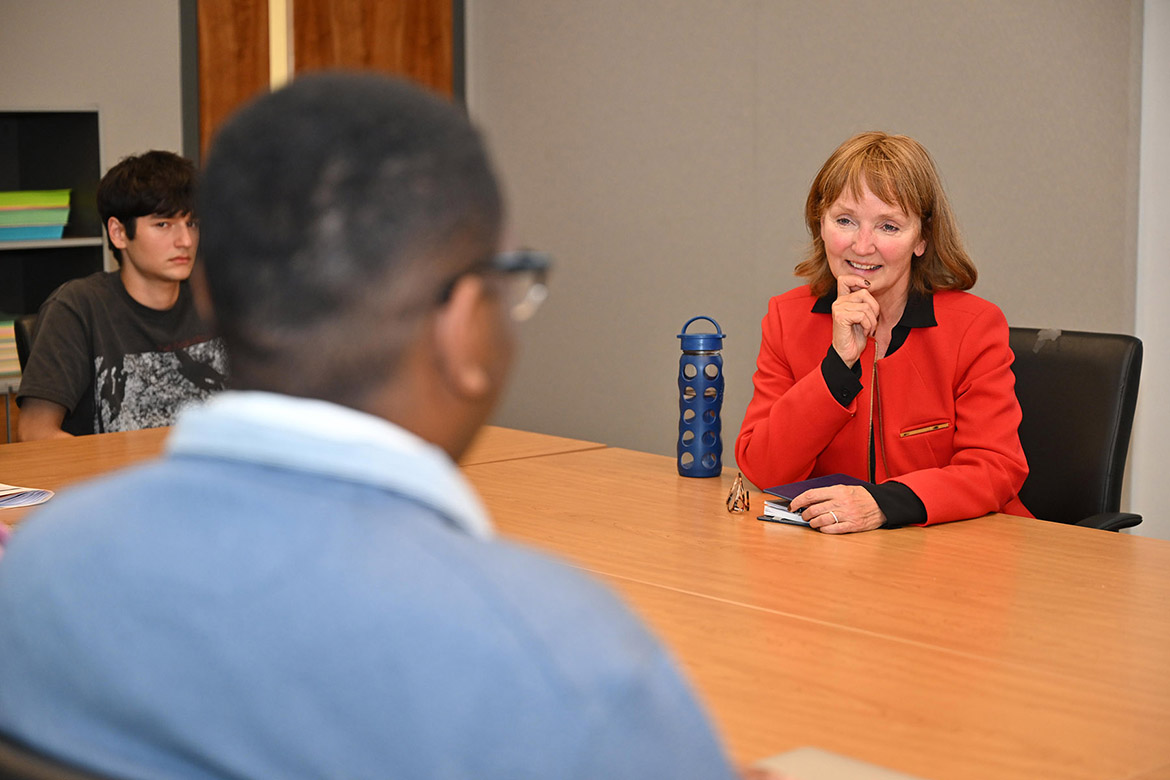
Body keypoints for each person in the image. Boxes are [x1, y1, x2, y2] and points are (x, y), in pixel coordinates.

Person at [0, 74, 738, 780]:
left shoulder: (32, 575)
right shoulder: (572, 665)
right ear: (462, 327)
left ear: (212, 296)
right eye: (508, 279)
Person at [735, 131, 1030, 533]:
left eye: (889, 226)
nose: (862, 245)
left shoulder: (973, 327)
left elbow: (995, 468)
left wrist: (883, 504)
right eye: (845, 220)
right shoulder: (788, 318)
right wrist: (837, 367)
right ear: (819, 226)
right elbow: (763, 468)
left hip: (960, 552)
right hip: (836, 559)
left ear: (922, 239)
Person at [15, 150, 227, 440]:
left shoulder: (217, 298)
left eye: (191, 223)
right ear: (118, 233)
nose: (185, 240)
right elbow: (35, 432)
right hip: (118, 478)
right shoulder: (77, 307)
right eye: (163, 224)